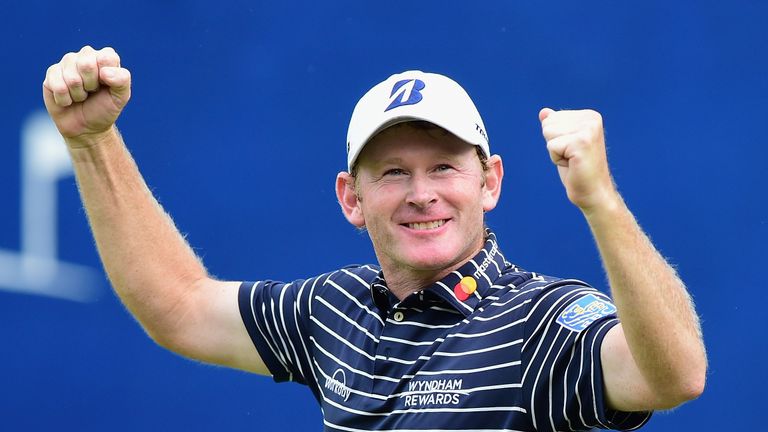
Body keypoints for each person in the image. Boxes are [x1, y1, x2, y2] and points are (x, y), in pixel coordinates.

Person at [43, 46, 706, 431]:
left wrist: (601, 203)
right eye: (394, 173)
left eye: (445, 166)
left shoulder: (543, 320)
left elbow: (675, 375)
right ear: (351, 199)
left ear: (490, 182)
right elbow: (179, 306)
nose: (422, 193)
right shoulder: (334, 309)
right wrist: (93, 141)